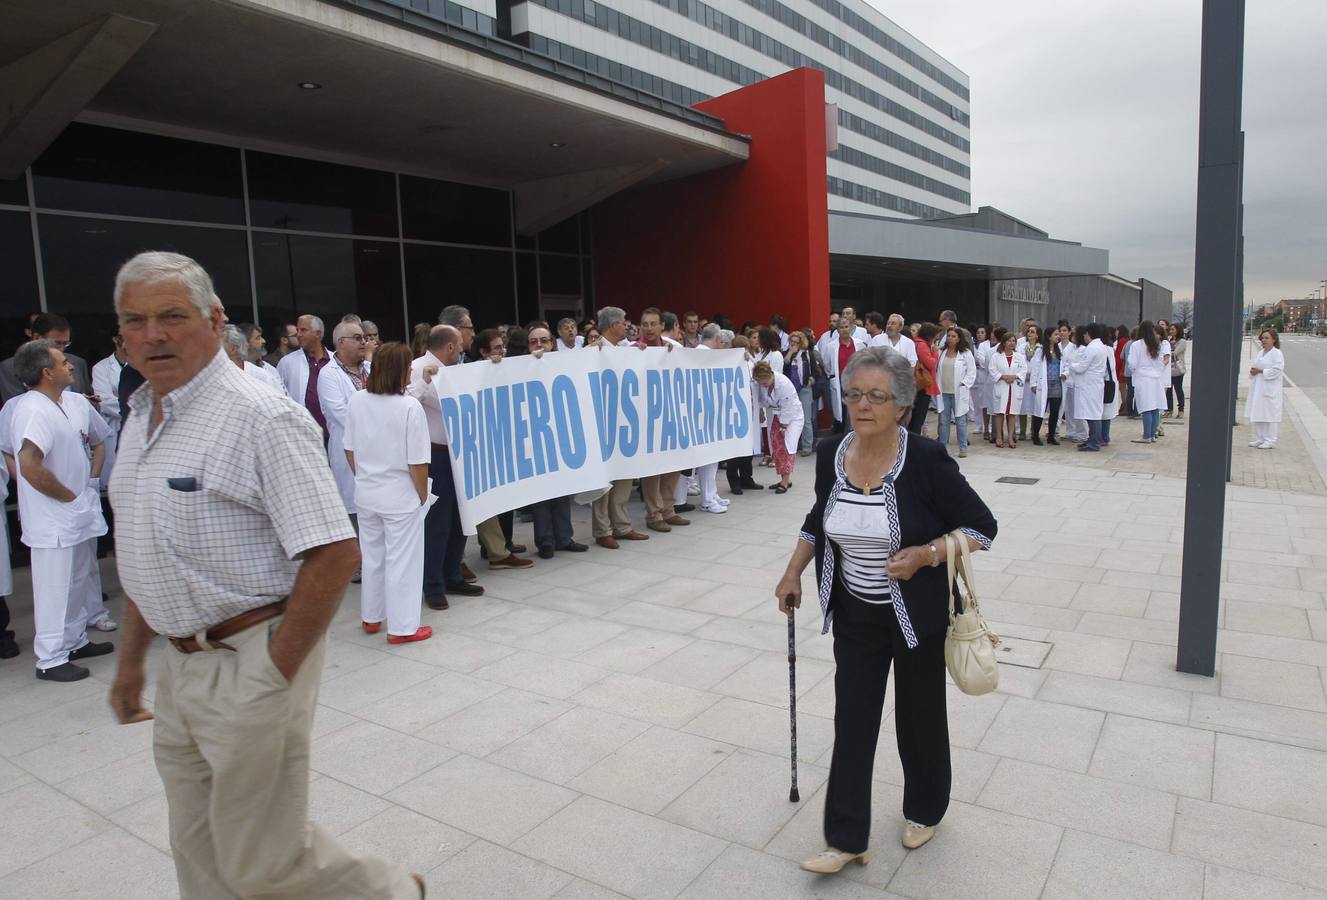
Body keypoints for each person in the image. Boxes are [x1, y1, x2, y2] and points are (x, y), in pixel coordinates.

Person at [106, 252, 423, 898]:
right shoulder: (142, 416)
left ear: (213, 318)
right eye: (134, 321)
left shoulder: (260, 414)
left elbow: (335, 552)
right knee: (196, 849)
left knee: (264, 859)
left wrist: (273, 672)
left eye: (171, 316)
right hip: (180, 666)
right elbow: (148, 549)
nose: (152, 334)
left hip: (249, 654)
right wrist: (133, 661)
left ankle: (387, 892)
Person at [773, 347, 997, 870]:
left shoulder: (924, 459)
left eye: (877, 396)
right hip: (855, 614)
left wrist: (926, 555)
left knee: (918, 718)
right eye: (853, 395)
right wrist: (792, 572)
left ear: (902, 405)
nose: (862, 405)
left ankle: (925, 808)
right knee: (852, 720)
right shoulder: (832, 451)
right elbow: (816, 519)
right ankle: (846, 839)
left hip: (916, 617)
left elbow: (981, 528)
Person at [10, 339, 115, 680]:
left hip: (79, 511)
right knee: (54, 588)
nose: (71, 365)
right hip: (54, 517)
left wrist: (89, 483)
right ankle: (51, 659)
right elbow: (29, 464)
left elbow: (99, 439)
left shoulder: (74, 402)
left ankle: (75, 639)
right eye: (62, 362)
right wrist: (67, 495)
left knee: (78, 581)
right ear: (46, 372)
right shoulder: (31, 408)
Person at [345, 342, 433, 644]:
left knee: (373, 557)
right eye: (408, 366)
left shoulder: (357, 400)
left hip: (367, 492)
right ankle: (403, 627)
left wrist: (366, 477)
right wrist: (421, 493)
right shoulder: (409, 407)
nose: (411, 370)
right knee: (402, 561)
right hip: (399, 494)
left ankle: (372, 617)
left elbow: (349, 449)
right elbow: (417, 461)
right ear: (399, 370)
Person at [409, 325, 481, 609]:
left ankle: (453, 574)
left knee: (460, 518)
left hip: (461, 452)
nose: (464, 349)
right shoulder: (418, 368)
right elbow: (408, 404)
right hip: (435, 455)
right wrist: (427, 383)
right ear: (450, 346)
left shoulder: (458, 368)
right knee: (437, 522)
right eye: (460, 344)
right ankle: (432, 584)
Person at [589, 307, 651, 547]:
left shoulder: (626, 351)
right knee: (605, 482)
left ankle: (622, 526)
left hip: (624, 423)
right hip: (602, 425)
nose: (626, 325)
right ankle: (602, 530)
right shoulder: (594, 351)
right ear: (613, 324)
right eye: (624, 321)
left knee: (624, 477)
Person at [319, 319, 370, 519]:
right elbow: (343, 414)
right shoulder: (328, 375)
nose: (364, 342)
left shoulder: (370, 368)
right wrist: (379, 417)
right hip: (350, 453)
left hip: (378, 453)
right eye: (357, 338)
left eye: (364, 338)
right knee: (357, 518)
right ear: (341, 343)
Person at [1, 313, 95, 407]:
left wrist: (91, 402)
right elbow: (16, 408)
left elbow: (91, 402)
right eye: (56, 343)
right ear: (37, 338)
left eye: (66, 344)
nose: (61, 349)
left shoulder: (78, 363)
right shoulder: (11, 368)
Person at [276, 314, 332, 440]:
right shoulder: (287, 363)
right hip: (303, 435)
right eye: (297, 330)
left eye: (303, 330)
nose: (298, 334)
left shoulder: (335, 360)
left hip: (333, 433)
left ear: (317, 334)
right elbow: (279, 396)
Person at [753, 360, 802, 493]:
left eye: (764, 382)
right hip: (777, 416)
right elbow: (762, 400)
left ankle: (785, 483)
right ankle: (785, 479)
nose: (763, 385)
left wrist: (784, 427)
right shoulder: (763, 384)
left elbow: (788, 407)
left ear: (770, 375)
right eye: (761, 383)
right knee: (777, 446)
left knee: (787, 447)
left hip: (792, 417)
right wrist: (761, 410)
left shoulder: (783, 383)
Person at [1070, 323, 1115, 452]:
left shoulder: (1092, 348)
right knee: (1092, 413)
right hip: (1093, 384)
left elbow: (1082, 367)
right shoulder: (1100, 346)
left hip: (1090, 385)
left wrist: (1071, 365)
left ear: (1088, 334)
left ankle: (1094, 442)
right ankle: (1092, 439)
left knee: (1093, 415)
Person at [935, 326, 976, 458]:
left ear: (959, 339)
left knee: (960, 421)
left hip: (958, 391)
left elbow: (971, 372)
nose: (950, 338)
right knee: (943, 421)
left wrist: (964, 383)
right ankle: (943, 448)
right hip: (944, 392)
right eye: (948, 336)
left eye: (953, 336)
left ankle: (963, 448)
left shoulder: (966, 353)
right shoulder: (941, 352)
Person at [1127, 320, 1170, 444]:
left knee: (1146, 407)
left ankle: (1146, 435)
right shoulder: (1156, 344)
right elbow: (1162, 362)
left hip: (1143, 378)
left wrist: (1135, 370)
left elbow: (1133, 363)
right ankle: (1152, 434)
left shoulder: (1137, 345)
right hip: (1156, 378)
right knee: (1155, 407)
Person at [824, 317, 865, 435]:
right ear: (837, 330)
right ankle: (840, 439)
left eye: (846, 327)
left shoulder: (860, 344)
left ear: (851, 327)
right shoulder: (831, 346)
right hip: (840, 384)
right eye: (841, 327)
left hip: (856, 384)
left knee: (856, 411)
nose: (844, 330)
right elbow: (827, 365)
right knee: (840, 414)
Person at [1246, 329, 1284, 450]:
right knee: (1258, 412)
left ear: (1274, 339)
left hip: (1270, 389)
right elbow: (1256, 366)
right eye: (1262, 338)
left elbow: (1277, 371)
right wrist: (1253, 371)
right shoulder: (1261, 352)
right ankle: (1261, 438)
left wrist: (1261, 371)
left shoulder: (1277, 353)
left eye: (1267, 338)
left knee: (1270, 415)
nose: (1264, 340)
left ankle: (1270, 440)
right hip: (1258, 387)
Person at [987, 331, 1025, 448]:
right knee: (1000, 413)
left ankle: (1010, 438)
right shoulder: (996, 356)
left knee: (1012, 413)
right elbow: (992, 370)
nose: (1012, 343)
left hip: (1013, 387)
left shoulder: (1019, 357)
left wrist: (1014, 376)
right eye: (1009, 341)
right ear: (1003, 342)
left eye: (1014, 341)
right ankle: (999, 437)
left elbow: (1023, 370)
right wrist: (1003, 377)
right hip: (1001, 386)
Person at [784, 330, 818, 457]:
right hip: (790, 390)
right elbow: (783, 367)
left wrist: (811, 380)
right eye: (791, 342)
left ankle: (807, 446)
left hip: (804, 389)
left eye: (796, 343)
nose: (793, 345)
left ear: (801, 343)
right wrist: (789, 354)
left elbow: (815, 372)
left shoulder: (807, 355)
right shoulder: (786, 354)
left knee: (806, 418)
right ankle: (792, 445)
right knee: (791, 418)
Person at [1018, 323, 1048, 444]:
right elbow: (1018, 361)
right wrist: (1024, 373)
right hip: (1023, 379)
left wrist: (1032, 376)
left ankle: (1033, 431)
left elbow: (1040, 365)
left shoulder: (1041, 348)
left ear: (1037, 335)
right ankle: (1022, 431)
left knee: (1036, 406)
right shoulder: (1021, 347)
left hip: (1035, 382)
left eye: (1032, 332)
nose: (1029, 333)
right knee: (1022, 406)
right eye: (1029, 331)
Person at [907, 323, 940, 436]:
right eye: (935, 335)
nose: (937, 337)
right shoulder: (921, 345)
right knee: (918, 416)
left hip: (920, 385)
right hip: (922, 385)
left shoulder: (918, 343)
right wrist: (935, 352)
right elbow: (930, 364)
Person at [1043, 328, 1064, 445]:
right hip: (1045, 382)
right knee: (1041, 409)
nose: (1058, 336)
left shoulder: (1059, 349)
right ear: (1048, 336)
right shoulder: (1042, 350)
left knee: (1054, 411)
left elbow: (1065, 364)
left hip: (1056, 383)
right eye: (1055, 334)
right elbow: (1037, 367)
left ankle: (1051, 436)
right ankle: (1035, 434)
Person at [970, 325, 990, 439]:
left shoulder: (987, 345)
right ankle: (978, 425)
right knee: (976, 403)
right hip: (974, 376)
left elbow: (984, 361)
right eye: (978, 332)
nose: (979, 334)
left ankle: (988, 425)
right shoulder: (972, 344)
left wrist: (980, 364)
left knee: (985, 403)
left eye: (982, 332)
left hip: (983, 375)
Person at [1167, 323, 1187, 419]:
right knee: (1168, 390)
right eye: (1170, 329)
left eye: (1173, 329)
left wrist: (1165, 354)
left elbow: (1175, 353)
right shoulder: (1169, 340)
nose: (1171, 331)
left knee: (1178, 389)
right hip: (1168, 369)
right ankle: (1169, 409)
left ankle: (1181, 410)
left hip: (1177, 369)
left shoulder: (1182, 341)